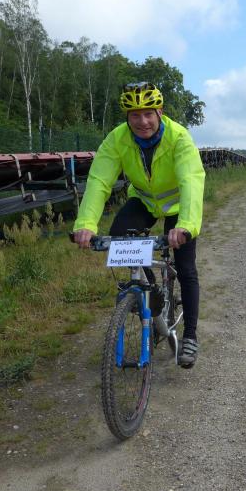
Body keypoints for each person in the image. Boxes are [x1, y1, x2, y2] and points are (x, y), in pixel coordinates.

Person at [72, 82, 205, 368]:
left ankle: (190, 336)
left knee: (186, 267)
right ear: (127, 117)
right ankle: (151, 289)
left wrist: (185, 225)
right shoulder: (117, 139)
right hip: (144, 200)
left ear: (160, 113)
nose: (142, 121)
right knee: (118, 234)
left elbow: (191, 181)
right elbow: (99, 181)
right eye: (135, 115)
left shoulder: (179, 138)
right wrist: (86, 224)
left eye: (148, 114)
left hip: (178, 205)